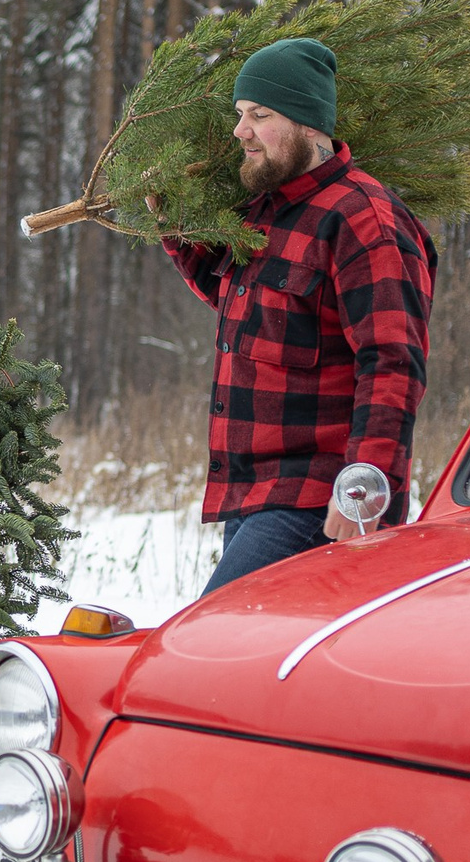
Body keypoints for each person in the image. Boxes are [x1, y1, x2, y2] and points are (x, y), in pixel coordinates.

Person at [158, 38, 436, 596]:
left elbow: (392, 363)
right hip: (253, 492)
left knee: (218, 634)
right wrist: (173, 224)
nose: (241, 131)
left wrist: (363, 490)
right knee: (252, 647)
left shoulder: (365, 221)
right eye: (241, 114)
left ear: (310, 125)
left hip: (318, 500)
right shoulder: (269, 211)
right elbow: (246, 311)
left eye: (260, 115)